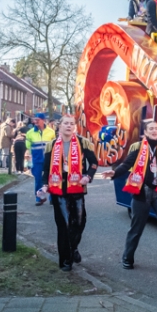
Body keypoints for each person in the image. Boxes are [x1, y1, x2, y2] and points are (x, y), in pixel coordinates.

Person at [100, 120, 157, 272]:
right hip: (142, 192)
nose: (154, 130)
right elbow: (126, 164)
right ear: (145, 132)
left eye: (156, 128)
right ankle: (127, 258)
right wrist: (114, 173)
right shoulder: (138, 147)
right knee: (137, 228)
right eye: (151, 128)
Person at [42, 115, 98, 271]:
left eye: (72, 124)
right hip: (58, 189)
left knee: (79, 222)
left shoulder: (83, 143)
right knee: (64, 225)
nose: (69, 126)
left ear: (74, 126)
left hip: (77, 188)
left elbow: (94, 163)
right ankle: (66, 261)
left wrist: (88, 176)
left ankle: (73, 248)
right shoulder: (52, 145)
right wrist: (45, 185)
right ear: (59, 126)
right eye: (66, 123)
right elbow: (46, 168)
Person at [26, 113, 56, 205]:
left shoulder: (51, 132)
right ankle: (39, 198)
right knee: (38, 179)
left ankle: (52, 198)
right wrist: (28, 162)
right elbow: (28, 148)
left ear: (43, 120)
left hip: (49, 160)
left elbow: (55, 146)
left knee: (51, 179)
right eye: (35, 120)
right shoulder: (30, 133)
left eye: (38, 120)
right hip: (37, 160)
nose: (35, 121)